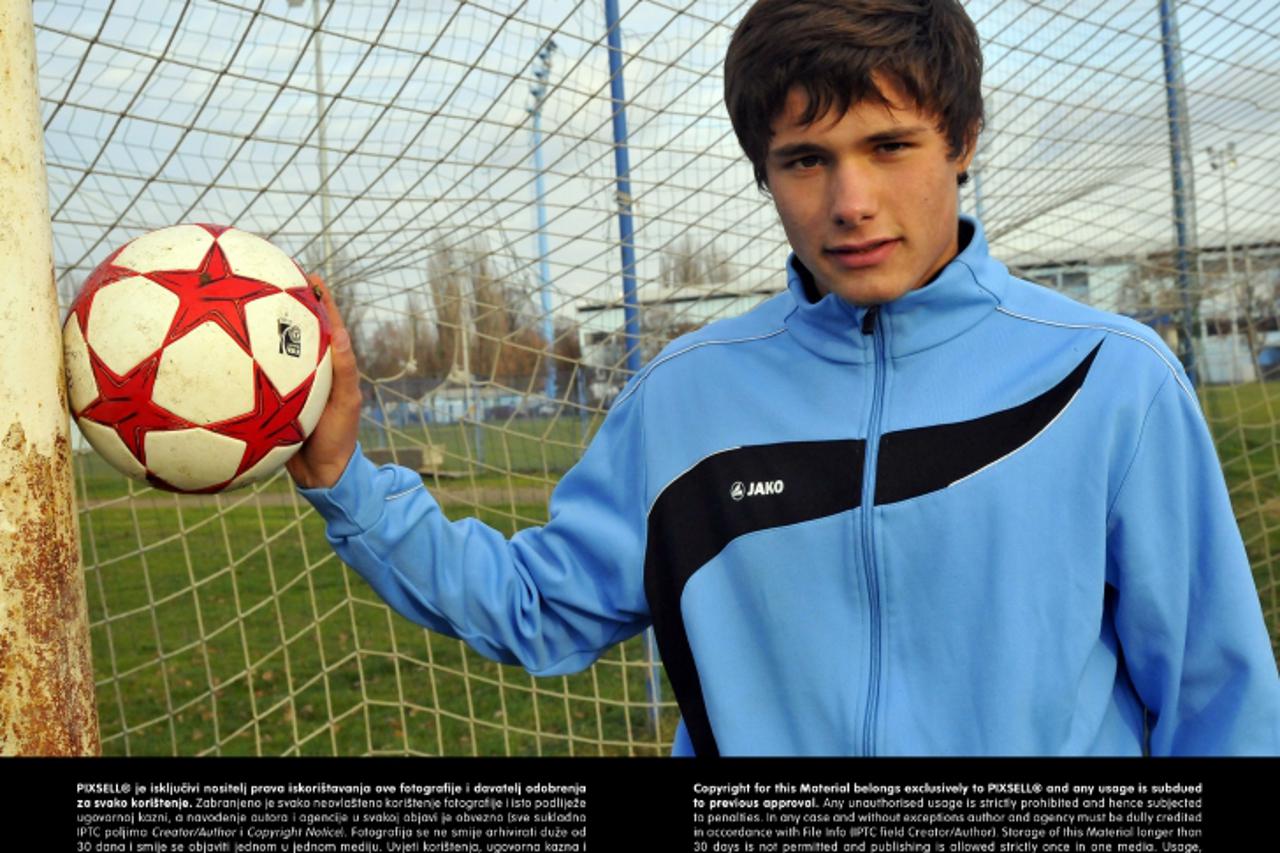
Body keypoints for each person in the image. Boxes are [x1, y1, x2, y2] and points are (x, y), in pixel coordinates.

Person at [288, 0, 1280, 756]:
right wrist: (346, 479)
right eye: (805, 161)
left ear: (962, 141)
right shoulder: (684, 396)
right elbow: (534, 606)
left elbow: (1215, 697)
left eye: (888, 147)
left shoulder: (1109, 378)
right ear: (762, 171)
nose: (850, 201)